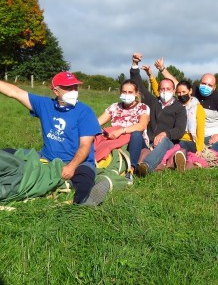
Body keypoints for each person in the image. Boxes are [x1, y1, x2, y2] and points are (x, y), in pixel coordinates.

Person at [0, 72, 108, 206]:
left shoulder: (85, 112)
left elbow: (85, 145)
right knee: (7, 153)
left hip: (78, 161)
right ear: (56, 91)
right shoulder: (44, 104)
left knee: (84, 180)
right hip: (46, 157)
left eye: (75, 87)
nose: (74, 91)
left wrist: (71, 167)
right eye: (69, 88)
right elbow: (15, 92)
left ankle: (85, 200)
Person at [129, 53, 187, 176]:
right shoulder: (153, 102)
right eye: (162, 89)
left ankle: (146, 166)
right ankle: (129, 167)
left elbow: (180, 130)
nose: (165, 92)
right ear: (159, 90)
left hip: (168, 143)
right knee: (135, 136)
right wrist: (135, 65)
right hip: (148, 141)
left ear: (173, 91)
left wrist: (165, 133)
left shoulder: (180, 108)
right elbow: (138, 86)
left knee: (164, 141)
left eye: (168, 89)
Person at [97, 80, 150, 183]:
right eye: (124, 92)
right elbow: (97, 122)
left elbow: (142, 126)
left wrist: (121, 131)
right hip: (117, 140)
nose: (127, 95)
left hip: (137, 142)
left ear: (136, 93)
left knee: (136, 134)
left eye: (130, 92)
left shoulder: (143, 107)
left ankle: (131, 170)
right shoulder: (114, 107)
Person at [170, 80, 206, 171]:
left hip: (191, 141)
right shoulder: (175, 106)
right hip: (177, 138)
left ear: (190, 91)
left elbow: (200, 129)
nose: (181, 95)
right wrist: (151, 77)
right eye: (178, 93)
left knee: (180, 146)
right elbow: (158, 92)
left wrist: (199, 148)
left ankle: (179, 161)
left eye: (184, 92)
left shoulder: (198, 108)